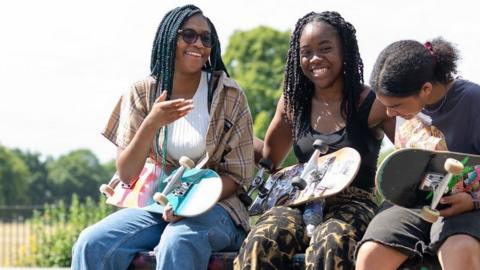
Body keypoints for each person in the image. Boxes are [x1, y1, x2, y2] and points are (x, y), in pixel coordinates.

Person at [71, 4, 254, 270]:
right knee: (91, 243)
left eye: (206, 38)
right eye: (189, 35)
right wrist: (151, 123)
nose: (199, 44)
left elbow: (238, 176)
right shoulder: (143, 92)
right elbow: (126, 173)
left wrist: (187, 201)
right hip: (154, 206)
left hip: (217, 208)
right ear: (169, 39)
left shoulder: (228, 95)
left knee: (177, 241)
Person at [234, 11, 394, 270]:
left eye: (325, 49)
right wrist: (233, 134)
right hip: (300, 201)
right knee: (262, 238)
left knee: (332, 240)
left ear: (345, 52)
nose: (315, 58)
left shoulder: (370, 102)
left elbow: (408, 152)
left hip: (353, 203)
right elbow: (269, 159)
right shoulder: (292, 104)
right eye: (306, 52)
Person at [355, 38, 480, 270]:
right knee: (370, 255)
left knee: (459, 250)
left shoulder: (474, 101)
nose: (390, 114)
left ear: (426, 89)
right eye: (385, 106)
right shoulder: (406, 107)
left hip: (468, 206)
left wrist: (473, 201)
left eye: (396, 106)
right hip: (415, 204)